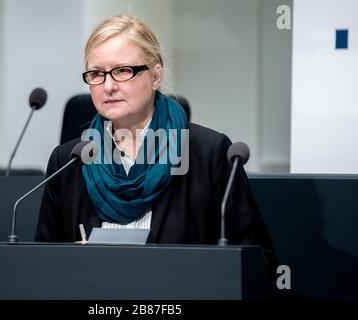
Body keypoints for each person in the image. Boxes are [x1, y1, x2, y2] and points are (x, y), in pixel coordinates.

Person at [35, 15, 277, 273]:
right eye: (96, 73)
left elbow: (258, 261)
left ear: (156, 76)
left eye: (122, 71)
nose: (108, 86)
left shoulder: (208, 154)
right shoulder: (69, 160)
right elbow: (42, 265)